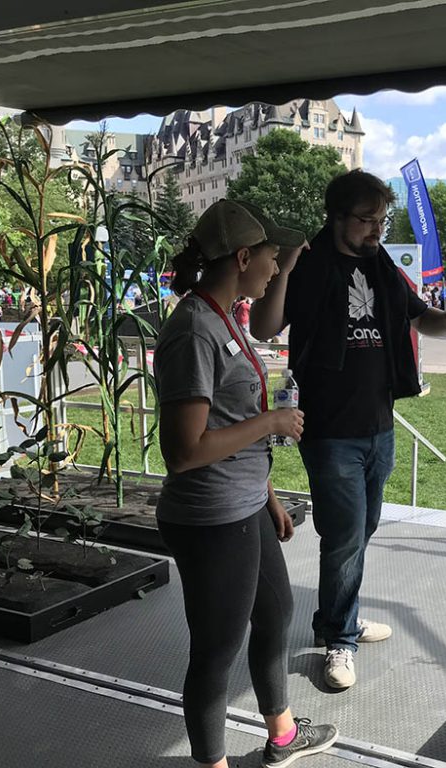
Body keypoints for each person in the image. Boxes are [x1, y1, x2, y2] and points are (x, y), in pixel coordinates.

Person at [249, 171, 446, 691]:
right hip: (329, 430)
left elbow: (422, 319)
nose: (376, 230)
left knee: (362, 529)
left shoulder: (382, 266)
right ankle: (339, 641)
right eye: (366, 220)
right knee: (347, 533)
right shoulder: (309, 266)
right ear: (337, 217)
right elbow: (264, 327)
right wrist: (285, 267)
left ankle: (340, 618)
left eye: (382, 220)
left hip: (380, 426)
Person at [154, 200, 337, 768]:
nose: (276, 266)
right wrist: (274, 423)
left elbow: (229, 425)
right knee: (216, 652)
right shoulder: (193, 329)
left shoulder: (226, 314)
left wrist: (268, 496)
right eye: (271, 258)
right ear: (241, 256)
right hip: (209, 517)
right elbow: (183, 451)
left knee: (277, 611)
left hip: (244, 504)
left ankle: (282, 735)